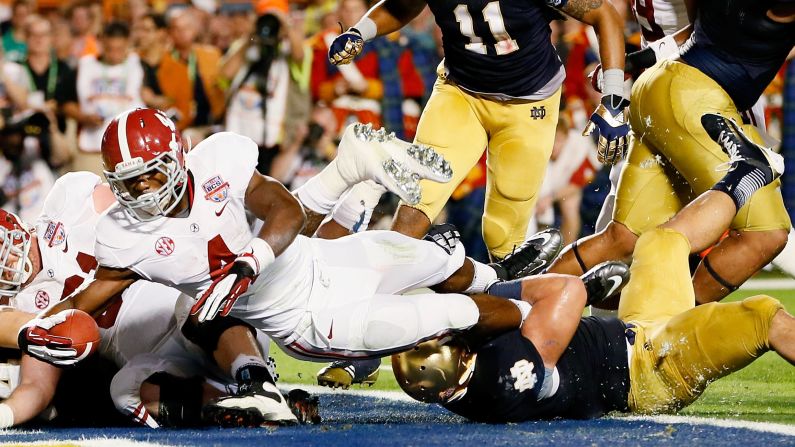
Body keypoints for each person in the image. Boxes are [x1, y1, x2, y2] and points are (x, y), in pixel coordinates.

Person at [19, 108, 563, 425]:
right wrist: (40, 329)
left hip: (324, 257)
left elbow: (283, 209)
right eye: (129, 182)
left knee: (438, 258)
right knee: (451, 314)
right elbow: (96, 292)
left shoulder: (217, 160)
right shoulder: (122, 235)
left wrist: (248, 261)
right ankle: (529, 314)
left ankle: (517, 283)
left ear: (179, 155)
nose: (141, 191)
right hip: (312, 320)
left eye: (151, 175)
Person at [392, 114, 795, 420]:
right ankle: (745, 175)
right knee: (762, 316)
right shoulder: (503, 370)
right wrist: (500, 288)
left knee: (661, 241)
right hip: (652, 369)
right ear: (458, 359)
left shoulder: (467, 384)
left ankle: (746, 172)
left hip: (638, 333)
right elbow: (569, 294)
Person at [318, 0, 630, 386]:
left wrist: (614, 97)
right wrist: (360, 31)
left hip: (529, 104)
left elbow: (605, 15)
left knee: (505, 240)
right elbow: (402, 6)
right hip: (459, 94)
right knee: (413, 212)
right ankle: (367, 344)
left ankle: (534, 332)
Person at [0, 171, 305, 428]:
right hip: (160, 361)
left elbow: (141, 211)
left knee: (196, 301)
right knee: (123, 390)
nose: (8, 265)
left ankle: (256, 379)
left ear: (15, 229)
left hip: (202, 309)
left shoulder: (67, 197)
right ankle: (244, 409)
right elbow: (36, 388)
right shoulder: (24, 308)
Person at [548, 0, 795, 305]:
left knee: (623, 238)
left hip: (658, 84)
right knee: (765, 233)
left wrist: (635, 61)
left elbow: (694, 35)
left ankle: (524, 304)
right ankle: (663, 326)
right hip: (697, 100)